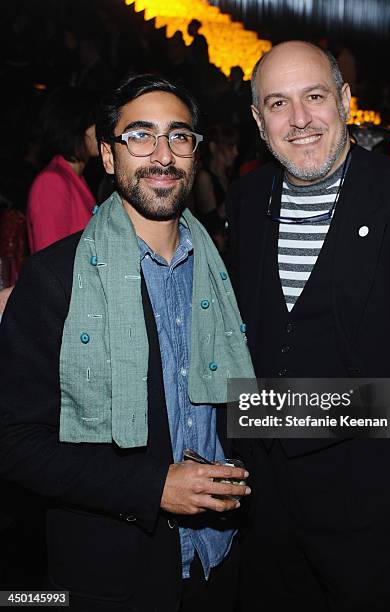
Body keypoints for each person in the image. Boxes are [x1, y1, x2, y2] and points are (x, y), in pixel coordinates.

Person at [226, 41, 390, 612]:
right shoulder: (247, 199)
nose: (299, 120)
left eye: (314, 97)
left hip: (377, 497)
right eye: (277, 104)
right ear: (258, 121)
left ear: (344, 101)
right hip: (266, 499)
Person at [0, 74, 254, 611]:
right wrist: (150, 486)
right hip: (113, 574)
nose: (162, 154)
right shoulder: (54, 279)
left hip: (221, 559)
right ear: (109, 156)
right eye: (140, 135)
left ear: (195, 154)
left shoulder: (225, 276)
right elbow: (15, 441)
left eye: (179, 136)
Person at [27, 86, 99, 254]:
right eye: (95, 123)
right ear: (77, 127)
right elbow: (49, 258)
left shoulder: (75, 177)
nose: (102, 130)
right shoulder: (51, 182)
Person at [193, 123, 239, 254]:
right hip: (212, 249)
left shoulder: (229, 176)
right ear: (214, 148)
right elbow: (209, 222)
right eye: (230, 147)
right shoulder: (204, 177)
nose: (236, 152)